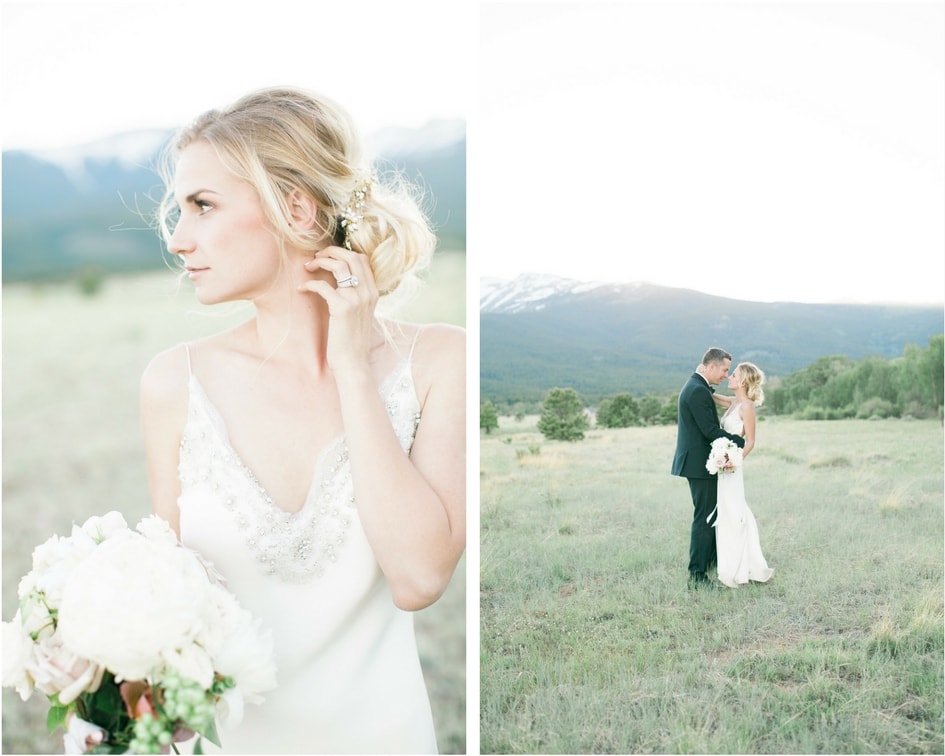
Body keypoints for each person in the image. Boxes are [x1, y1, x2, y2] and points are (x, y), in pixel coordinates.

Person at [138, 87, 465, 753]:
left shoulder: (439, 362)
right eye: (180, 211)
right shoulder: (175, 382)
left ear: (296, 208)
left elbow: (418, 579)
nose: (178, 239)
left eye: (202, 206)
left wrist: (351, 368)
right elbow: (168, 613)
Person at [671, 348, 745, 589]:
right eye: (724, 370)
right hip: (699, 465)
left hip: (700, 464)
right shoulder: (697, 391)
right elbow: (711, 432)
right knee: (705, 518)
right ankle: (697, 576)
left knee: (711, 516)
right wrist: (744, 444)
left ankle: (711, 563)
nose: (726, 375)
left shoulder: (698, 387)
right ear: (711, 366)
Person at [710, 362, 774, 587]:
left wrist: (732, 462)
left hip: (732, 467)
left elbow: (751, 442)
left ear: (743, 381)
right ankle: (729, 562)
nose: (729, 377)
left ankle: (743, 566)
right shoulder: (734, 402)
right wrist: (703, 384)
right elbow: (714, 397)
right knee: (727, 512)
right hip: (723, 465)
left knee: (735, 512)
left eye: (733, 375)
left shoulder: (746, 406)